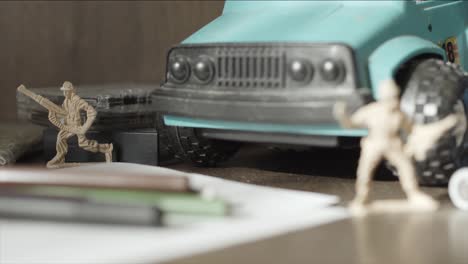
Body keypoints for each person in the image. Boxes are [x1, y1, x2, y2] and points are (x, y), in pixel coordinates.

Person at [334, 80, 456, 213]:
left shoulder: (399, 114)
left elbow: (411, 128)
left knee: (406, 168)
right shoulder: (371, 111)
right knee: (365, 171)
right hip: (373, 144)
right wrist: (342, 115)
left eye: (395, 97)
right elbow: (351, 124)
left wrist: (431, 131)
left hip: (393, 144)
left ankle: (414, 194)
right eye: (390, 98)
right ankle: (361, 197)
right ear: (382, 98)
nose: (394, 101)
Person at [46, 81, 113, 168]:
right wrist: (52, 110)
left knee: (83, 144)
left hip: (77, 127)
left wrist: (85, 128)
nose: (64, 93)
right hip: (69, 126)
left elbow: (91, 111)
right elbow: (63, 113)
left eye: (66, 91)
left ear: (71, 91)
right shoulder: (66, 101)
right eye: (63, 91)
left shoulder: (77, 100)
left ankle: (106, 148)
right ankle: (60, 157)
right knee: (60, 137)